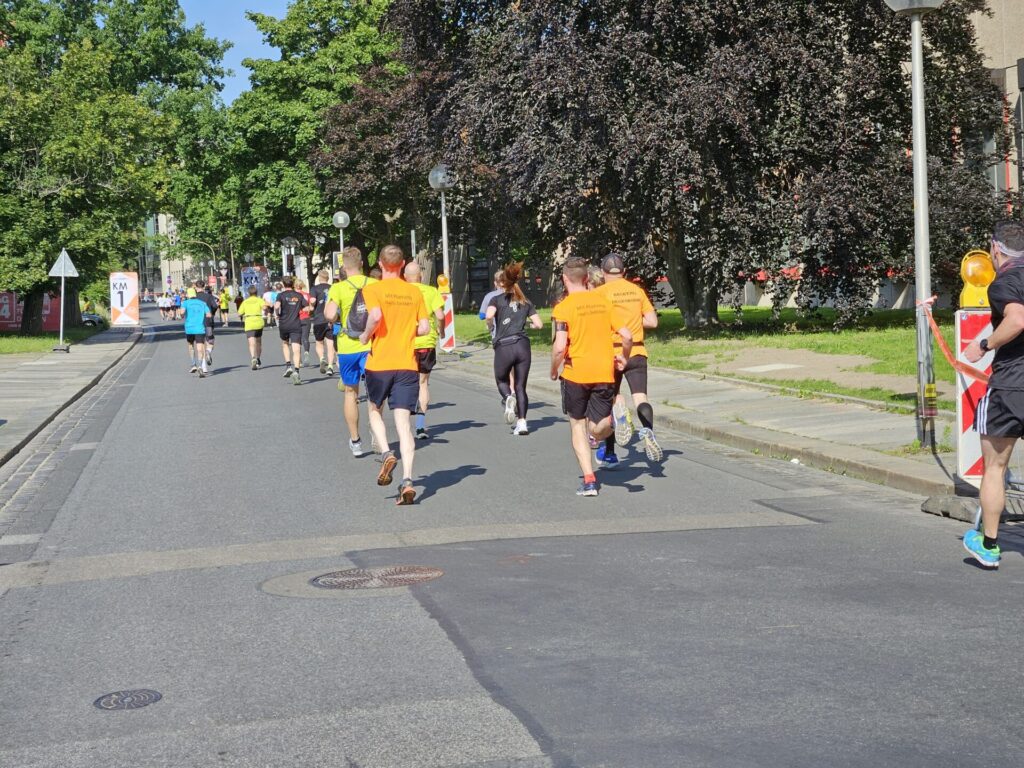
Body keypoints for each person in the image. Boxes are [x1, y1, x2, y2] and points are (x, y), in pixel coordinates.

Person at [963, 220, 1024, 569]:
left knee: (995, 468)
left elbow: (1016, 319)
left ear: (996, 249)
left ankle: (988, 545)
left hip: (1011, 387)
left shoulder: (1005, 282)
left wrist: (984, 345)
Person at [550, 257, 632, 497]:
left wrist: (554, 369)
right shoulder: (604, 301)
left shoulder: (563, 308)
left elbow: (559, 347)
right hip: (604, 371)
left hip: (576, 373)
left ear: (565, 279)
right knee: (597, 428)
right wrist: (624, 357)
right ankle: (615, 422)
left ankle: (588, 481)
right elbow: (626, 335)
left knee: (578, 425)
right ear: (587, 278)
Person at [358, 244, 429, 505]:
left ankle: (387, 452)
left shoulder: (373, 289)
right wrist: (408, 330)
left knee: (375, 410)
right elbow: (423, 327)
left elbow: (375, 316)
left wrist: (366, 335)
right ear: (402, 265)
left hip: (380, 364)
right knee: (404, 425)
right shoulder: (413, 292)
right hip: (407, 364)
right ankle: (408, 480)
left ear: (379, 263)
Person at [593, 253, 662, 467]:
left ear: (603, 273)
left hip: (611, 352)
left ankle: (611, 454)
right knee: (641, 397)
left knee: (609, 401)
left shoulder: (600, 293)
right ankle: (648, 430)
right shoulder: (637, 291)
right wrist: (632, 321)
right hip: (637, 351)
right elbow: (652, 322)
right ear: (624, 272)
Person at [324, 248, 377, 457]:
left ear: (344, 267)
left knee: (350, 393)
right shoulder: (375, 285)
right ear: (362, 263)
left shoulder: (338, 288)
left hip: (348, 346)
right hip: (371, 345)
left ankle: (355, 440)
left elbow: (329, 315)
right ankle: (376, 434)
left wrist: (336, 316)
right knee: (374, 393)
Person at [485, 262, 543, 436]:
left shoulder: (496, 299)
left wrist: (490, 325)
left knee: (502, 380)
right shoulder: (526, 301)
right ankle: (522, 423)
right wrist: (529, 326)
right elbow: (539, 324)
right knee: (521, 386)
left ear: (502, 283)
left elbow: (488, 316)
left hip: (505, 345)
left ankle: (507, 398)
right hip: (522, 345)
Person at [404, 262, 446, 439]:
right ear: (420, 275)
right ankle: (420, 427)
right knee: (423, 384)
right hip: (427, 343)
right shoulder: (431, 291)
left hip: (405, 343)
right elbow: (440, 316)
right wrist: (441, 331)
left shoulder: (401, 292)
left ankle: (404, 426)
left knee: (404, 384)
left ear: (405, 276)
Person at [274, 276, 308, 384]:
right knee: (296, 348)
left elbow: (276, 305)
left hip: (284, 324)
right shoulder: (299, 295)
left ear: (283, 284)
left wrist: (277, 314)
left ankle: (288, 365)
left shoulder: (281, 295)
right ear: (293, 284)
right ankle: (296, 371)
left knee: (285, 343)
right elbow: (307, 308)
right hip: (296, 324)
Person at [311, 269, 336, 376]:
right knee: (330, 344)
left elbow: (312, 302)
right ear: (328, 278)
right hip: (330, 319)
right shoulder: (333, 288)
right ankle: (330, 366)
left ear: (319, 278)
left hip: (318, 319)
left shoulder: (315, 289)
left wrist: (311, 308)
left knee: (319, 342)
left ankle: (322, 358)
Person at [182, 287, 212, 378]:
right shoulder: (202, 303)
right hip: (199, 328)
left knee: (191, 346)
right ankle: (200, 365)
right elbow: (209, 314)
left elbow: (182, 313)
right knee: (200, 347)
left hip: (189, 328)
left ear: (188, 295)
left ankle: (193, 364)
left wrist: (184, 313)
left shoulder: (185, 303)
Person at [239, 285, 266, 369]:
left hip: (249, 322)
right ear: (256, 292)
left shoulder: (245, 302)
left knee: (251, 343)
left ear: (248, 293)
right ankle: (258, 358)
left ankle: (253, 357)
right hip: (258, 321)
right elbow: (264, 307)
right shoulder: (259, 300)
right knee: (258, 342)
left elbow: (239, 313)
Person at [197, 283, 219, 366]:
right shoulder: (209, 296)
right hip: (208, 321)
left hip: (197, 323)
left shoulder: (194, 297)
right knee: (210, 340)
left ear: (196, 287)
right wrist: (212, 313)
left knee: (200, 343)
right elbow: (215, 306)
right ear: (203, 287)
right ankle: (208, 351)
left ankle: (203, 366)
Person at [295, 278, 313, 366]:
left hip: (295, 319)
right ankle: (306, 352)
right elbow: (311, 307)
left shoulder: (293, 295)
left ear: (295, 285)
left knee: (296, 340)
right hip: (306, 318)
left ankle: (299, 360)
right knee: (305, 338)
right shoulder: (307, 295)